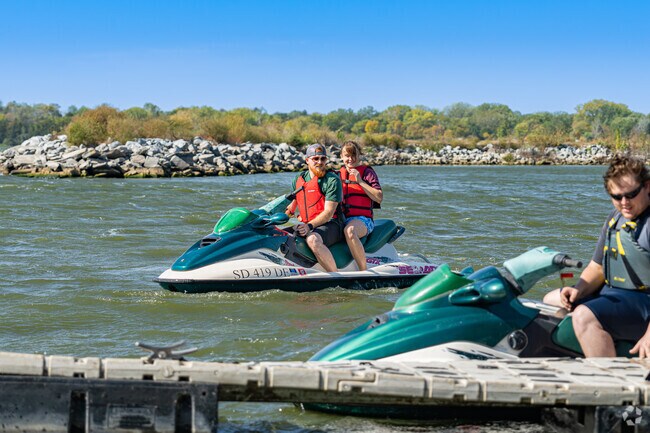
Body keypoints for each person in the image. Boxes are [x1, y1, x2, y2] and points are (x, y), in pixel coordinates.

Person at [542, 154, 650, 358]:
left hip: (644, 301)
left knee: (584, 316)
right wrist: (578, 290)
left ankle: (609, 380)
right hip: (616, 294)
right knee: (552, 299)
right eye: (617, 197)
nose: (624, 202)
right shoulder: (614, 219)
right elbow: (597, 267)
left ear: (647, 187)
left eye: (631, 194)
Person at [285, 143, 344, 272]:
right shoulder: (299, 179)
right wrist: (271, 219)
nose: (320, 162)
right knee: (278, 234)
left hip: (332, 224)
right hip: (307, 224)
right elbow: (291, 206)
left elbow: (328, 212)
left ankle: (336, 276)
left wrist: (309, 227)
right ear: (307, 161)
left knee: (312, 239)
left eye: (323, 159)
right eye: (315, 159)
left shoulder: (332, 181)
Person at [338, 141, 383, 271]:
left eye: (354, 155)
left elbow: (379, 197)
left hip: (363, 221)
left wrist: (360, 182)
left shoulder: (367, 173)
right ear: (341, 156)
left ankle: (364, 270)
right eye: (347, 155)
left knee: (350, 231)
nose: (350, 159)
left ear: (359, 155)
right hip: (341, 220)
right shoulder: (337, 174)